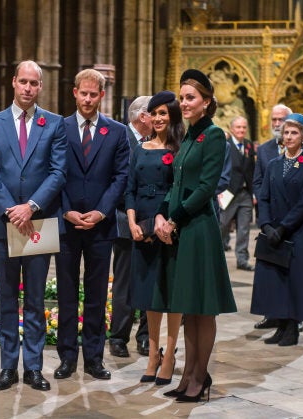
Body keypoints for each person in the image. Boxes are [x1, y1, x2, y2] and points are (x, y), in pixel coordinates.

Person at [0, 60, 67, 392]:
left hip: (38, 222)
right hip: (4, 223)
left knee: (34, 300)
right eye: (23, 82)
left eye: (34, 83)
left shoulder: (53, 123)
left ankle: (33, 368)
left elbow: (58, 172)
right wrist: (12, 210)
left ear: (40, 87)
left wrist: (30, 206)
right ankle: (7, 368)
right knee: (5, 300)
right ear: (13, 83)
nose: (28, 88)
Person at [153, 69, 237, 402]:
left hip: (199, 229)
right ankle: (188, 373)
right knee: (188, 307)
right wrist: (161, 213)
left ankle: (200, 377)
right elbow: (175, 183)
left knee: (203, 308)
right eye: (182, 97)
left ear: (206, 101)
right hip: (181, 227)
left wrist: (173, 219)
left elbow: (205, 188)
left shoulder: (214, 135)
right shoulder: (188, 135)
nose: (184, 103)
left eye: (191, 98)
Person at [55, 68, 129, 381]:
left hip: (100, 226)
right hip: (67, 225)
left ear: (102, 95)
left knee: (97, 294)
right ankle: (67, 358)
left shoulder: (116, 131)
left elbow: (121, 176)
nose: (87, 99)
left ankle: (94, 359)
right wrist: (66, 211)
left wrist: (100, 211)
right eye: (83, 93)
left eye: (93, 94)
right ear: (74, 93)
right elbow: (51, 174)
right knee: (67, 293)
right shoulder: (59, 128)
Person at [125, 91, 183, 385]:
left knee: (170, 292)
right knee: (149, 294)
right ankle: (152, 354)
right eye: (154, 113)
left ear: (172, 115)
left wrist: (170, 223)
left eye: (163, 113)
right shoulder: (140, 148)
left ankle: (170, 354)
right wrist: (133, 223)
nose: (158, 118)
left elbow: (181, 189)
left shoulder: (180, 147)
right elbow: (130, 188)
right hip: (142, 226)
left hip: (170, 227)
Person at [251, 113, 303, 346]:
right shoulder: (274, 164)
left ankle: (292, 328)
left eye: (294, 133)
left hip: (298, 232)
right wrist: (267, 225)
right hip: (274, 231)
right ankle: (280, 326)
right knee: (276, 280)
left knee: (295, 281)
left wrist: (284, 227)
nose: (288, 136)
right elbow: (264, 197)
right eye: (286, 132)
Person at [109, 95, 152, 358]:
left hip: (150, 225)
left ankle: (146, 337)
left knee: (148, 281)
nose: (160, 119)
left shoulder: (158, 142)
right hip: (125, 221)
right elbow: (115, 182)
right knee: (124, 283)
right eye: (155, 113)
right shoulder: (119, 138)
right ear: (142, 116)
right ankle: (118, 337)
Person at [220, 116, 255, 271]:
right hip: (228, 192)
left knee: (244, 228)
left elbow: (252, 170)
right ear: (232, 129)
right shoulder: (224, 145)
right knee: (223, 225)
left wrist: (253, 193)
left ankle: (242, 259)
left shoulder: (248, 145)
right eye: (238, 127)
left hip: (245, 193)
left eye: (244, 127)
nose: (241, 130)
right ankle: (217, 254)